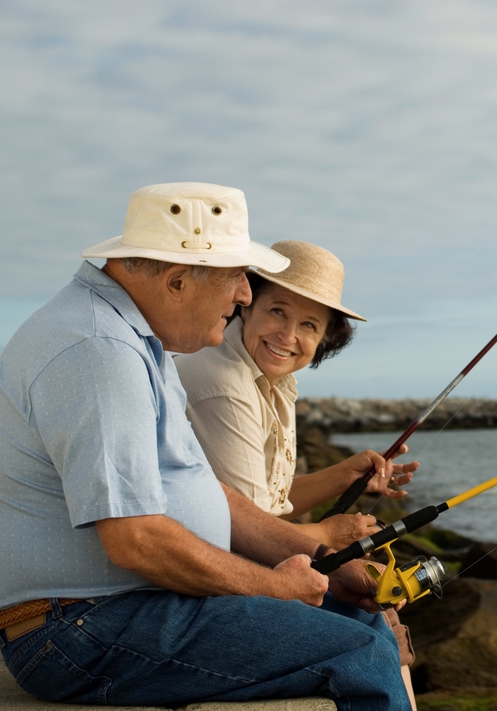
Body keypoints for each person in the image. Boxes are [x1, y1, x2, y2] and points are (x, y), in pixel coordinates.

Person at [0, 183, 413, 710]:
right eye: (236, 277)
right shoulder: (99, 350)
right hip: (78, 628)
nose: (245, 296)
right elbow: (136, 540)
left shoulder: (140, 342)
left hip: (119, 607)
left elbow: (214, 496)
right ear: (179, 279)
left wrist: (322, 558)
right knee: (361, 651)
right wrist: (272, 588)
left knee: (362, 617)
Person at [174, 239, 419, 674]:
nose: (289, 336)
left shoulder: (271, 374)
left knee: (379, 616)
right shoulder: (224, 381)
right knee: (376, 632)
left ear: (326, 337)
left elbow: (269, 501)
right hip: (205, 578)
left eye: (309, 324)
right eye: (278, 311)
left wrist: (344, 475)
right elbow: (246, 533)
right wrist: (330, 534)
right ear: (247, 302)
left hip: (232, 560)